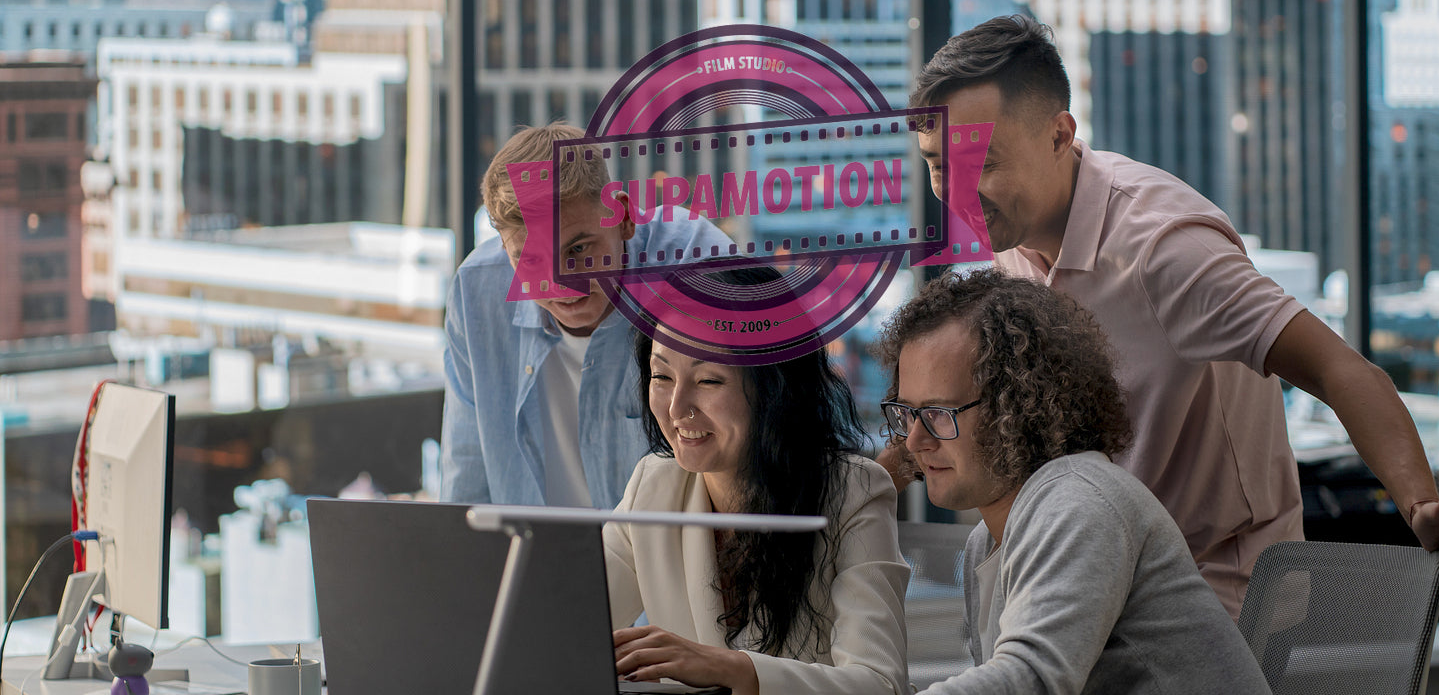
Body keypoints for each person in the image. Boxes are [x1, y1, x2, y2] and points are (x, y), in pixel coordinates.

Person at [900, 12, 1439, 619]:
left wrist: (1421, 506)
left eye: (985, 163)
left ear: (1059, 135)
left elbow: (1340, 370)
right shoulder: (1012, 239)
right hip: (1104, 575)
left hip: (1219, 590)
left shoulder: (1165, 249)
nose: (955, 191)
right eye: (937, 164)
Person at [882, 270, 1273, 694]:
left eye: (939, 413)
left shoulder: (1078, 501)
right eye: (907, 413)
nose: (915, 440)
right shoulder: (988, 538)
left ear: (1018, 406)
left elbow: (1030, 679)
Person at [606, 267, 910, 695]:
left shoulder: (853, 492)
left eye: (709, 379)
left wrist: (735, 670)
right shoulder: (653, 486)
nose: (676, 409)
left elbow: (880, 684)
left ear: (774, 387)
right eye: (661, 376)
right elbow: (568, 626)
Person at [440, 123, 727, 506]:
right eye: (530, 259)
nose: (560, 285)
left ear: (623, 216)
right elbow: (467, 472)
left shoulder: (699, 266)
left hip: (675, 561)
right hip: (533, 559)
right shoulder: (477, 289)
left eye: (577, 250)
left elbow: (769, 443)